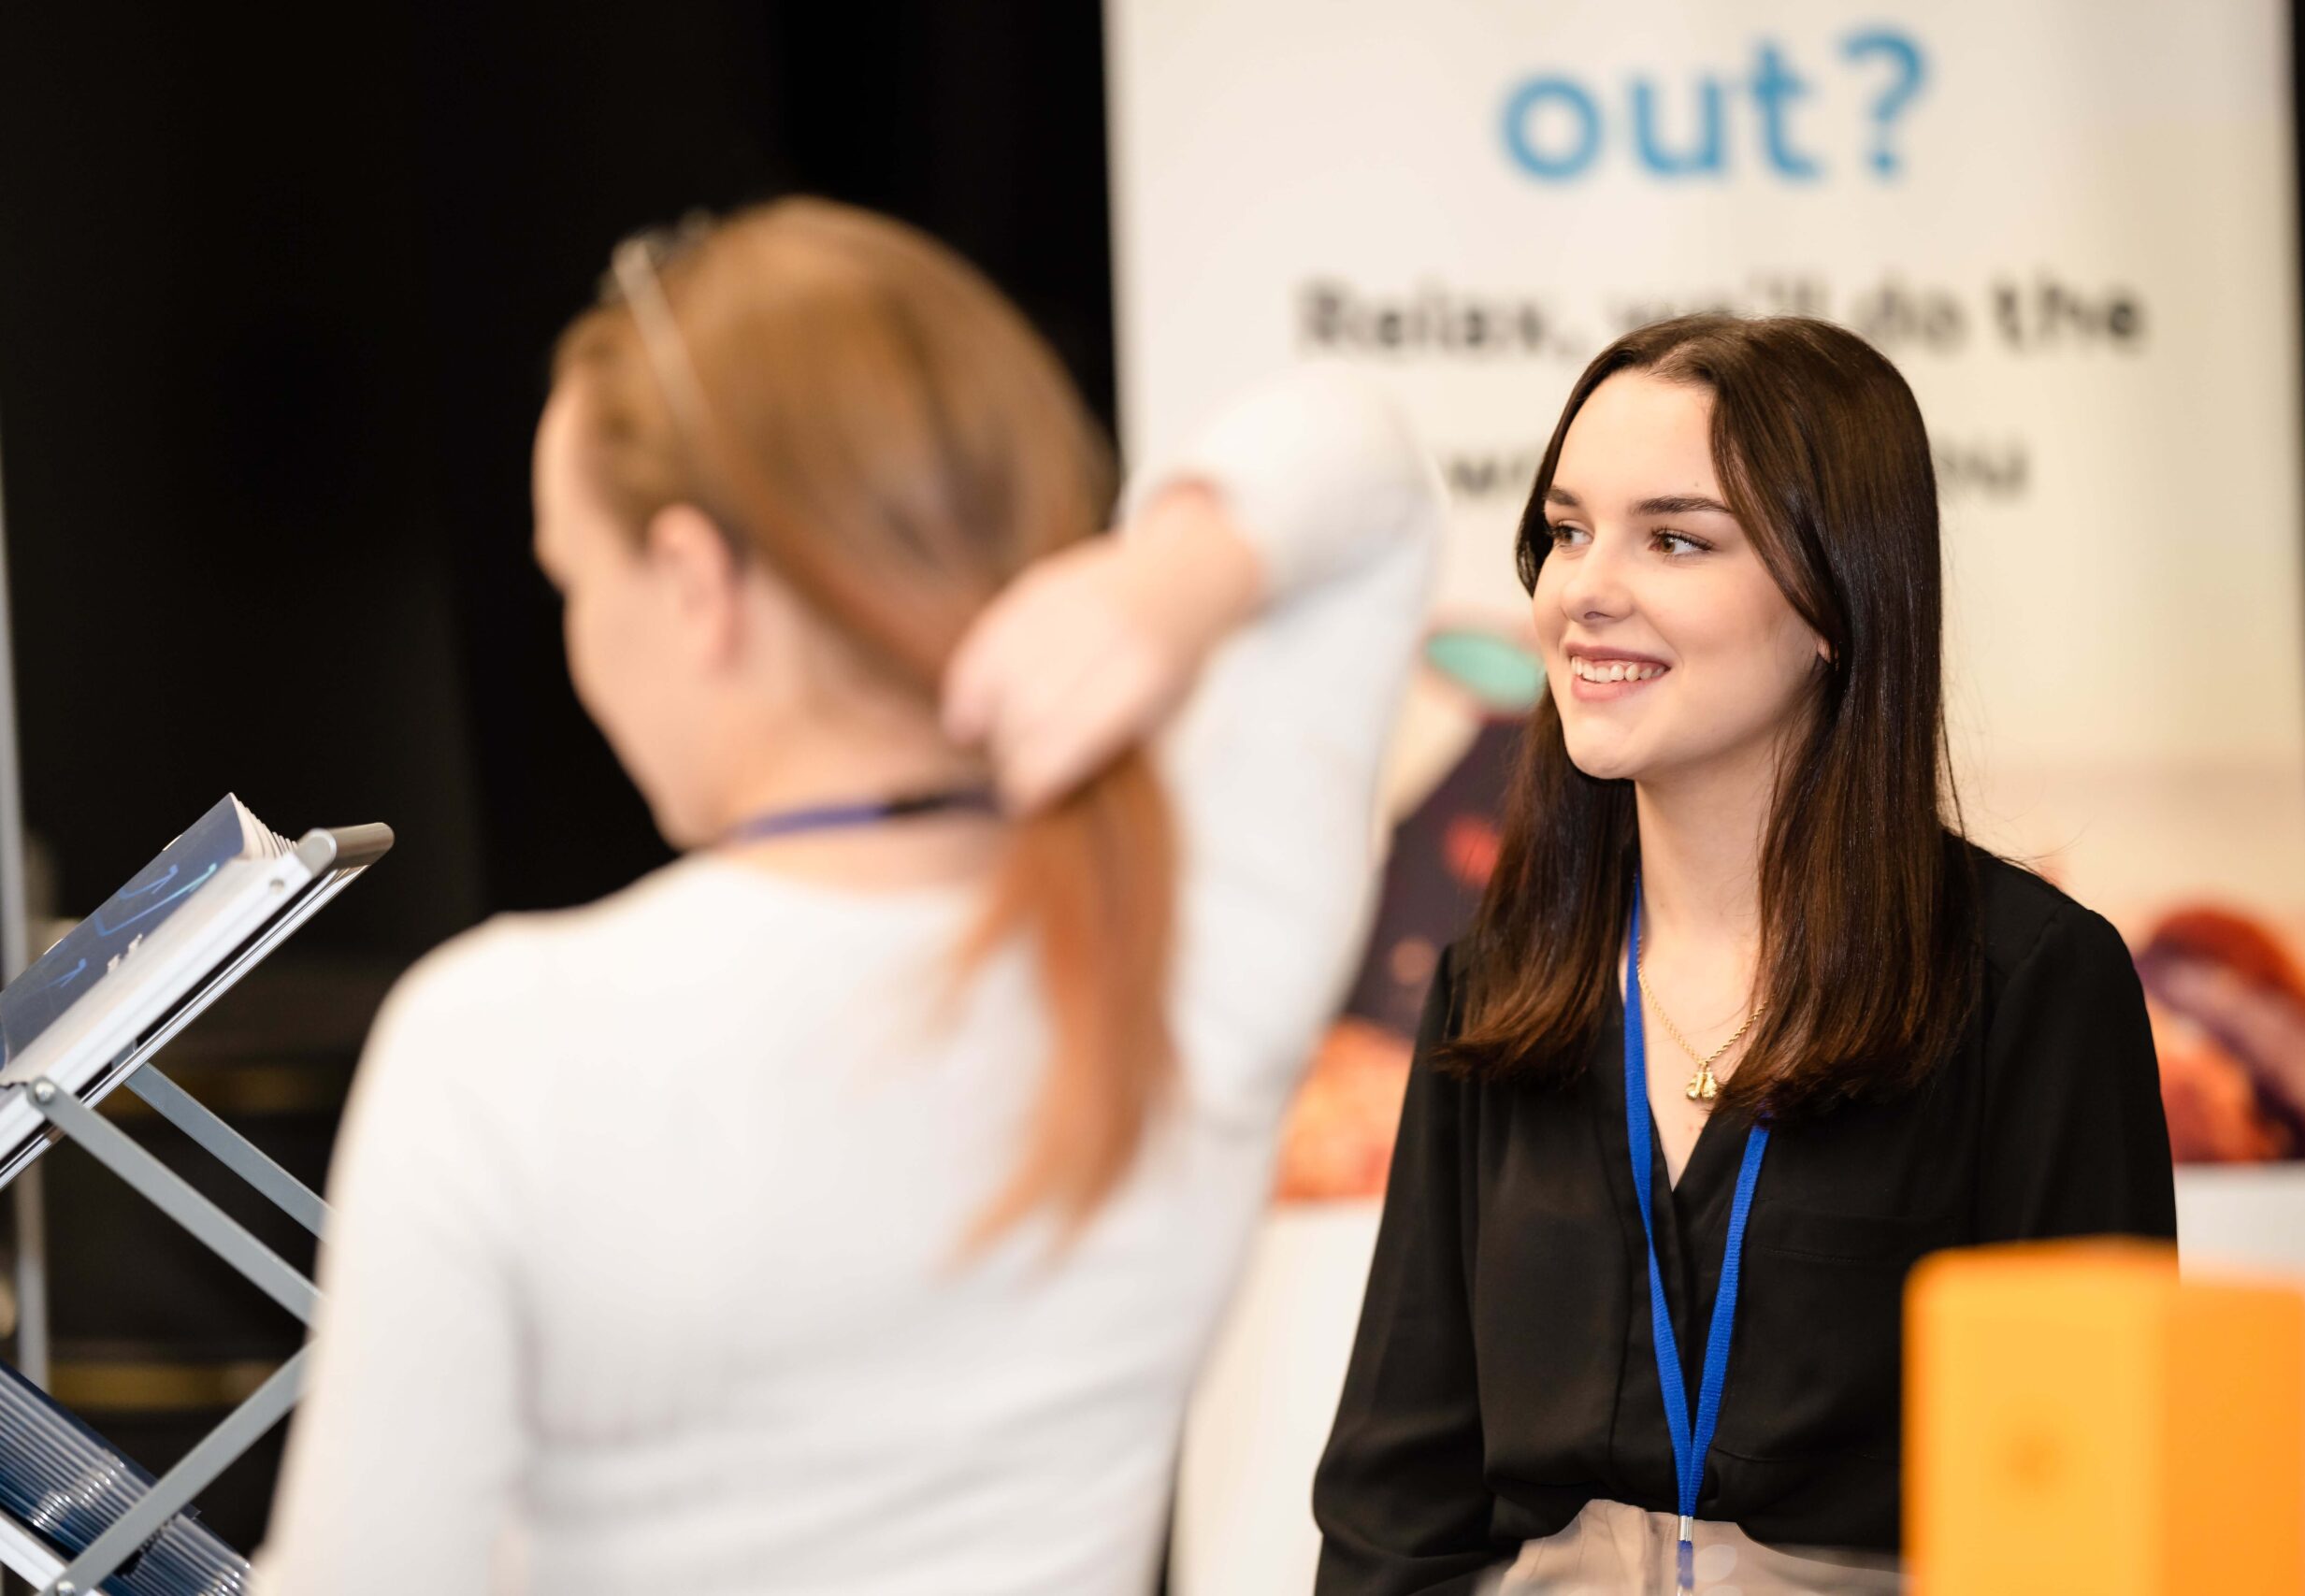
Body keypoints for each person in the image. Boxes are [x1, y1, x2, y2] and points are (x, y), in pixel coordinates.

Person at [255, 197, 1438, 1595]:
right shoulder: (1177, 961)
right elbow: (1362, 464)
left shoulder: (504, 1035)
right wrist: (1160, 582)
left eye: (573, 581)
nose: (582, 649)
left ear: (695, 583)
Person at [1311, 314, 2175, 1595]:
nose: (1588, 588)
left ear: (1835, 598)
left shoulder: (2027, 984)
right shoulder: (1493, 989)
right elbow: (1396, 1512)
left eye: (1674, 538)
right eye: (1564, 531)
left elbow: (2096, 1514)